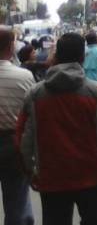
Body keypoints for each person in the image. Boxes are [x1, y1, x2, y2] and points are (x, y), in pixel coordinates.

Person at [16, 32, 97, 225]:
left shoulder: (35, 94)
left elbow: (23, 137)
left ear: (56, 56)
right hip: (91, 177)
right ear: (82, 57)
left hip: (51, 178)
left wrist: (29, 170)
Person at [0, 28, 35, 225]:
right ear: (11, 47)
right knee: (17, 202)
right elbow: (32, 116)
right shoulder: (24, 76)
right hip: (14, 143)